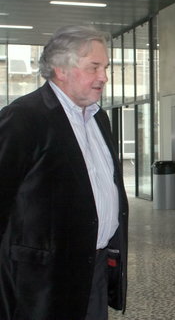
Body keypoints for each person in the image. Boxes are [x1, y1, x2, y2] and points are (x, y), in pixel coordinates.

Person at [0, 26, 129, 320]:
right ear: (61, 69)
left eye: (105, 67)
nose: (104, 77)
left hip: (93, 266)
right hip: (43, 281)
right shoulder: (24, 117)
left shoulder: (99, 118)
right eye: (94, 67)